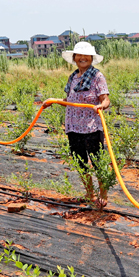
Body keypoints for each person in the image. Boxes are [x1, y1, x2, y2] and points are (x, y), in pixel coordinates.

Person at [44, 41, 110, 205]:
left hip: (91, 128)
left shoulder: (97, 76)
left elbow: (105, 98)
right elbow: (70, 100)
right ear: (74, 58)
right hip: (73, 127)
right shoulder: (73, 77)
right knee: (81, 163)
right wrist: (53, 101)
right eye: (79, 55)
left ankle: (103, 195)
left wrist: (101, 106)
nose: (82, 58)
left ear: (91, 58)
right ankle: (89, 194)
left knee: (98, 162)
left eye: (85, 55)